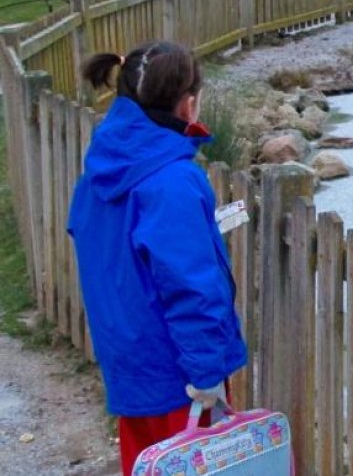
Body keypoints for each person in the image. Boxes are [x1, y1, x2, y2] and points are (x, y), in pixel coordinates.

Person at [67, 42, 246, 475]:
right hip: (178, 373)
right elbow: (190, 285)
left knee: (146, 464)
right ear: (188, 104)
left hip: (129, 359)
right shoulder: (172, 180)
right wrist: (206, 374)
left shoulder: (104, 166)